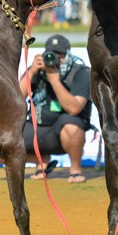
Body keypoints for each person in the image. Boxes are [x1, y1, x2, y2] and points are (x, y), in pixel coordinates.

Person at [19, 35, 92, 184]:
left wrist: (54, 80)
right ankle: (40, 160)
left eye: (60, 55)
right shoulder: (36, 70)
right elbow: (16, 98)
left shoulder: (80, 72)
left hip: (63, 131)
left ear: (67, 55)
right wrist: (32, 72)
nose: (56, 59)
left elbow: (74, 108)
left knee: (71, 125)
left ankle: (75, 169)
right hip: (37, 127)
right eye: (51, 54)